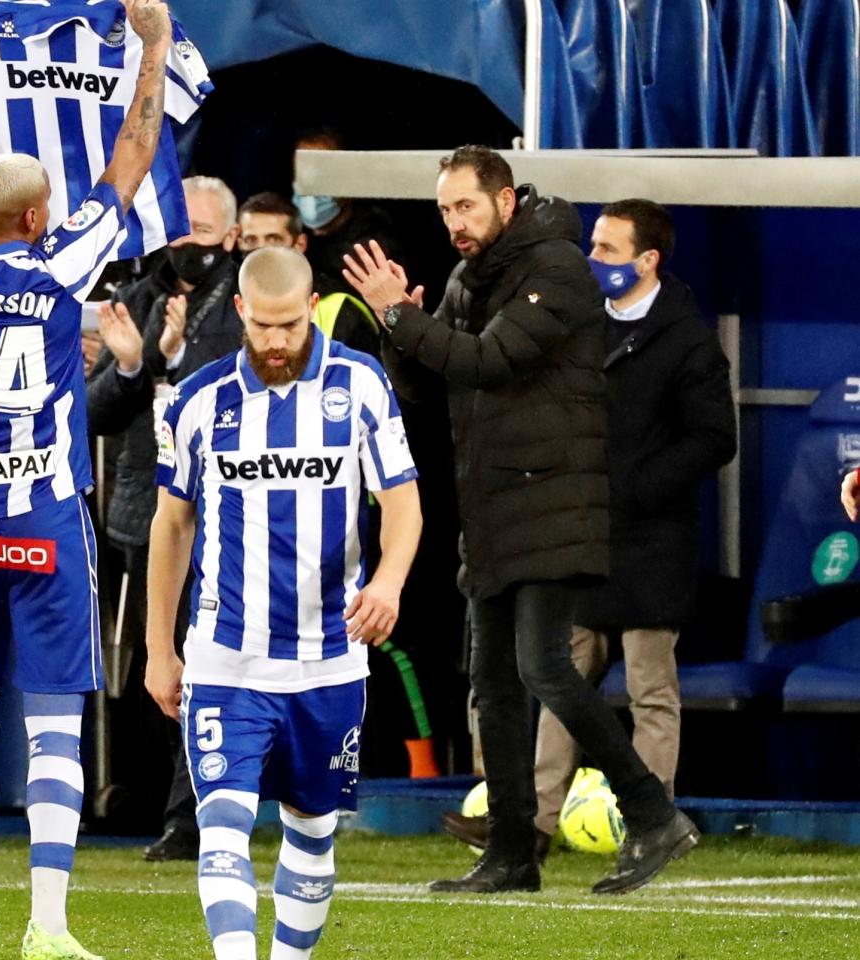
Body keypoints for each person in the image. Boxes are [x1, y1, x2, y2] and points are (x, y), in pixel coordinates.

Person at [343, 145, 699, 895]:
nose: (454, 224)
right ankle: (511, 852)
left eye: (465, 207)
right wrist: (393, 321)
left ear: (505, 202)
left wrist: (404, 316)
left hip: (553, 499)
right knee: (492, 686)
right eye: (444, 210)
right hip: (492, 504)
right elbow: (427, 382)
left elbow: (486, 361)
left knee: (544, 668)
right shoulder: (471, 277)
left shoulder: (558, 269)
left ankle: (651, 812)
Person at [0, 0, 171, 957]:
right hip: (46, 520)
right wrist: (155, 45)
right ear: (40, 215)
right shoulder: (61, 267)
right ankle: (48, 928)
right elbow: (131, 158)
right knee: (54, 731)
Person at [144, 246, 422, 960]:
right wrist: (158, 648)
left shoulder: (360, 385)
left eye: (290, 327)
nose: (275, 342)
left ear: (311, 312)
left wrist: (388, 581)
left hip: (329, 661)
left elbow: (402, 504)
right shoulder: (199, 399)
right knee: (224, 822)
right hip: (226, 658)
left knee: (312, 829)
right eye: (263, 326)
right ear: (240, 311)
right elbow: (171, 523)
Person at [440, 200, 737, 855]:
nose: (592, 259)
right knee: (558, 674)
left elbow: (715, 437)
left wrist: (634, 487)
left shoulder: (686, 337)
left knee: (648, 685)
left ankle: (648, 824)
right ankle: (533, 821)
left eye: (606, 248)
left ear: (648, 260)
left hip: (651, 539)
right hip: (580, 533)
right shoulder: (580, 323)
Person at [87, 175, 243, 863]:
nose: (187, 247)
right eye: (178, 233)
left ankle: (191, 816)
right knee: (152, 667)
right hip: (140, 512)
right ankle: (141, 795)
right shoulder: (137, 296)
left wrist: (173, 360)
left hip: (221, 514)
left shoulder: (248, 304)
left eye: (201, 235)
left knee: (202, 663)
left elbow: (235, 388)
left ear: (231, 238)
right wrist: (126, 367)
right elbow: (91, 413)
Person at [238, 191, 379, 358]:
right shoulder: (224, 305)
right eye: (251, 240)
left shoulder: (340, 310)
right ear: (239, 243)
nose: (260, 251)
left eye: (273, 239)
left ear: (299, 244)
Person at [292, 129, 404, 287]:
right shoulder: (293, 232)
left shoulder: (374, 242)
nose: (312, 186)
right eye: (305, 172)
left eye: (323, 175)